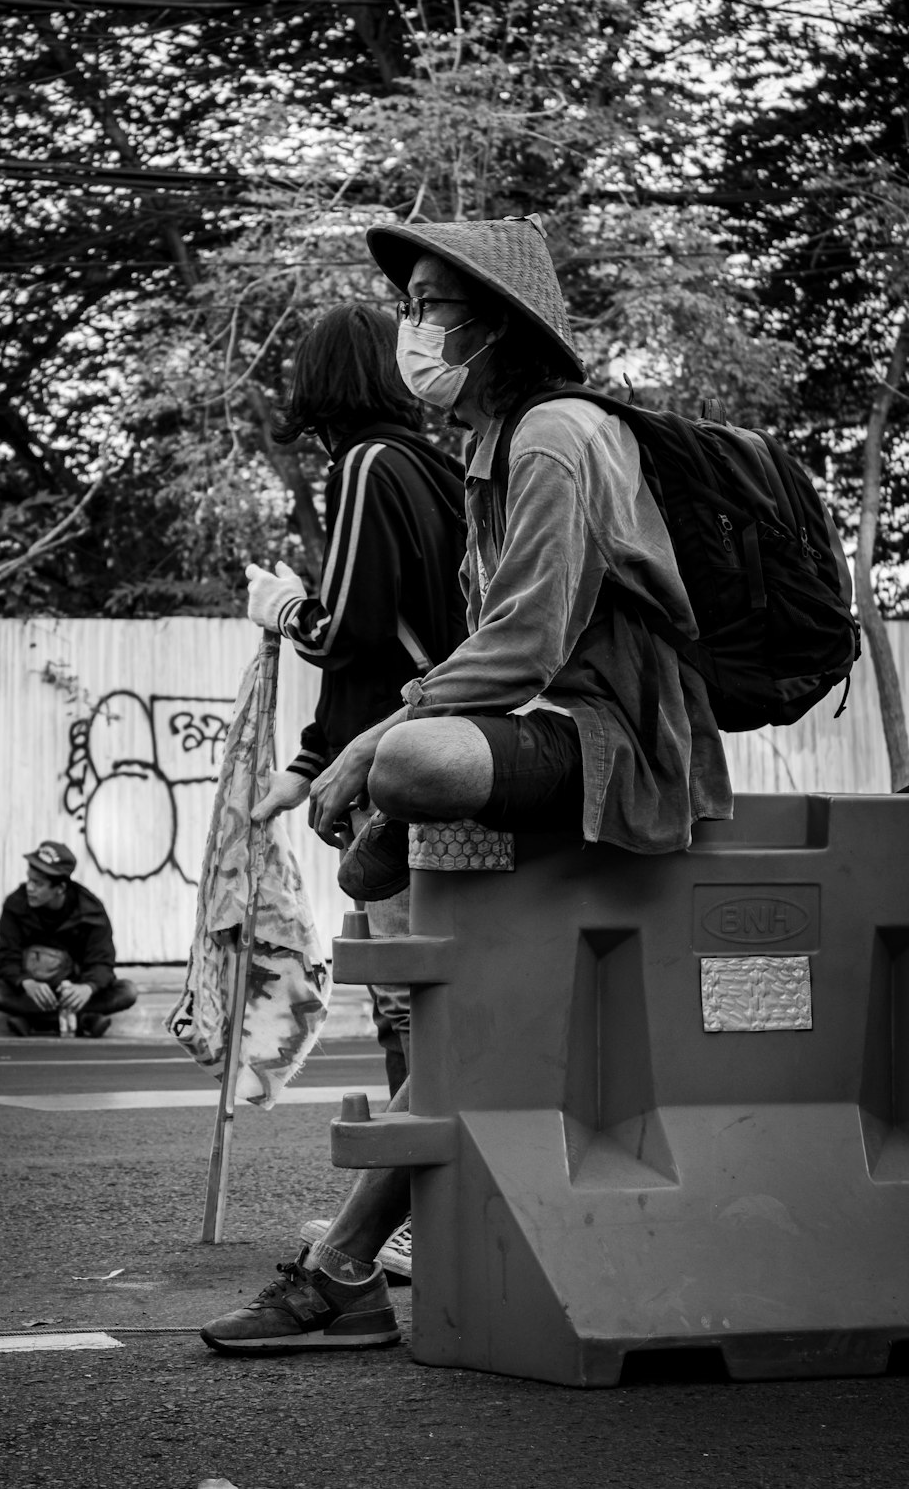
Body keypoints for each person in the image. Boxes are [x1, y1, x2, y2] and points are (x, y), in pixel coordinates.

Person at [200, 213, 733, 1357]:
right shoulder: (482, 455)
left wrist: (358, 755)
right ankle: (343, 1270)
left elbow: (520, 648)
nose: (414, 327)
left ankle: (342, 1270)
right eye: (412, 306)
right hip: (536, 743)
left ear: (495, 329)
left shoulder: (551, 438)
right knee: (470, 1037)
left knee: (411, 763)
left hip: (612, 744)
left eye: (435, 306)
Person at [243, 303, 469, 1275]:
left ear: (319, 383)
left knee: (412, 1010)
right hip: (422, 751)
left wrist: (283, 603)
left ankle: (417, 1218)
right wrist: (306, 758)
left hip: (398, 778)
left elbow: (351, 634)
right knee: (418, 1005)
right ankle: (414, 1212)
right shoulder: (434, 466)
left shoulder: (370, 467)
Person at [0, 840, 137, 1038]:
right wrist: (25, 982)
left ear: (60, 888)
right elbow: (5, 959)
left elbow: (102, 962)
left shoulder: (90, 911)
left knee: (127, 991)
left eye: (38, 883)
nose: (30, 888)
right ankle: (84, 1020)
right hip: (32, 993)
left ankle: (34, 1020)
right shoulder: (16, 904)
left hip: (74, 991)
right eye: (29, 880)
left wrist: (88, 987)